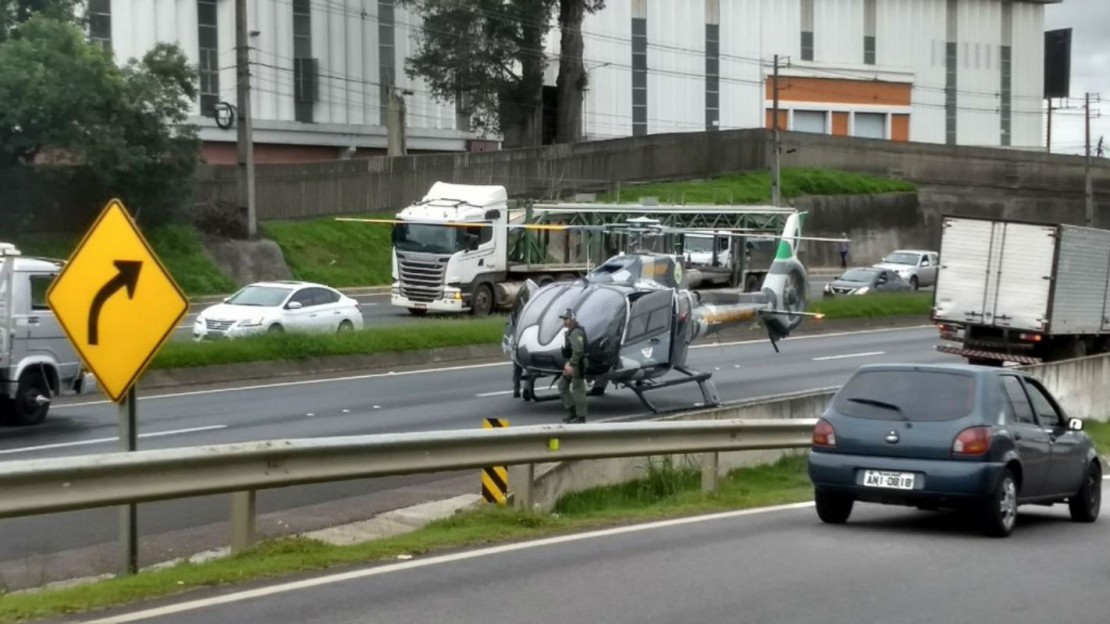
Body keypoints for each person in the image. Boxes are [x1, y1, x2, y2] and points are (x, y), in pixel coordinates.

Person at [558, 307, 588, 424]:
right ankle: (572, 411)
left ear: (572, 319)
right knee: (562, 385)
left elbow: (579, 351)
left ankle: (581, 417)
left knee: (578, 390)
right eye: (564, 319)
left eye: (566, 319)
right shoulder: (571, 331)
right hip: (572, 363)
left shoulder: (576, 332)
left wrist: (571, 364)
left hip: (578, 364)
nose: (564, 321)